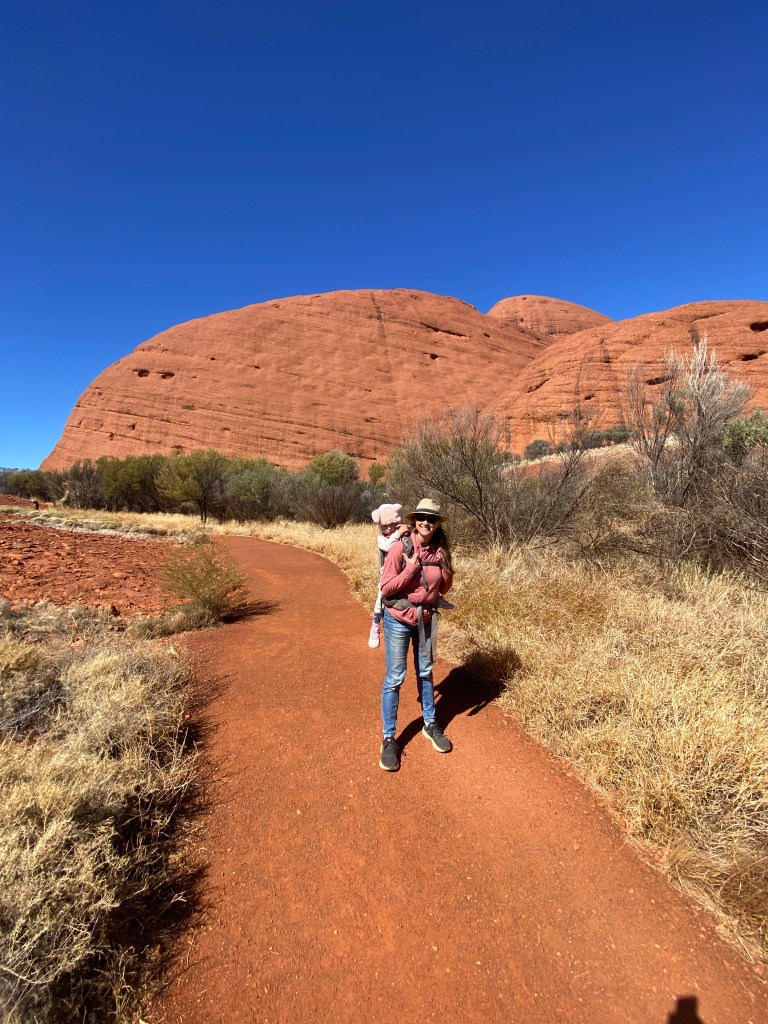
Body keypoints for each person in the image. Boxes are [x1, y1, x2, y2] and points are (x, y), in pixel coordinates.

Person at [378, 498, 454, 771]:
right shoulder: (401, 547)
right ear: (414, 520)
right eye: (422, 517)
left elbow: (443, 589)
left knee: (426, 672)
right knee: (395, 677)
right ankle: (389, 738)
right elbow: (386, 588)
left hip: (427, 619)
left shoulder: (440, 549)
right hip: (398, 620)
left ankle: (430, 724)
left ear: (437, 524)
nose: (426, 522)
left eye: (432, 519)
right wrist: (410, 568)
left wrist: (445, 567)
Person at [368, 503, 411, 648]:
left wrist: (404, 532)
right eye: (384, 526)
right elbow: (388, 547)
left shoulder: (402, 534)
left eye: (391, 524)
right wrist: (398, 533)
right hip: (386, 576)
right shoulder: (381, 538)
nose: (388, 528)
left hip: (402, 574)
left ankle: (391, 629)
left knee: (397, 602)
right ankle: (375, 626)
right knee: (380, 600)